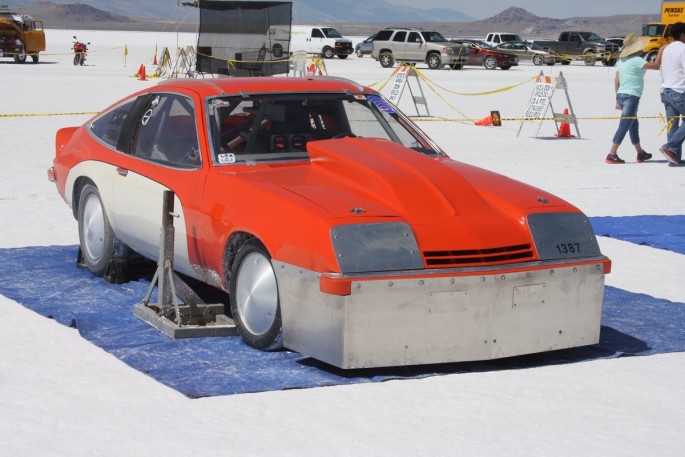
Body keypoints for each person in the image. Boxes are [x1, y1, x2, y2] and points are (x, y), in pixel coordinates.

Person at [606, 33, 663, 164]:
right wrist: (660, 51)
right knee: (625, 125)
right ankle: (612, 154)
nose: (643, 48)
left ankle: (640, 153)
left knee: (633, 124)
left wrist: (617, 99)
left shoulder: (622, 62)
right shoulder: (637, 61)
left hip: (621, 95)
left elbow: (616, 80)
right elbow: (655, 66)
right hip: (631, 97)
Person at [659, 22, 685, 167]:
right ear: (682, 34)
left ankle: (674, 158)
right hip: (679, 91)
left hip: (666, 90)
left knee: (672, 125)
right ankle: (670, 147)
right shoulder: (683, 48)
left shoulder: (666, 49)